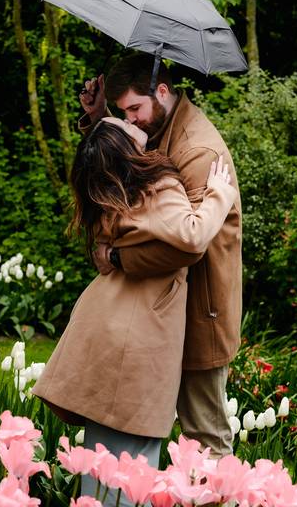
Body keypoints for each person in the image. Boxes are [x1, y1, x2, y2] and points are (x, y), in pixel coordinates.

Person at [32, 117, 238, 506]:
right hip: (137, 337)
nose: (128, 119)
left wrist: (97, 118)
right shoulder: (155, 188)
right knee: (129, 465)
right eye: (122, 122)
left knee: (104, 460)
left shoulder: (113, 192)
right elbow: (193, 238)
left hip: (109, 325)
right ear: (128, 147)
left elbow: (107, 144)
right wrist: (219, 195)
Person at [78, 54, 243, 459]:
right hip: (163, 309)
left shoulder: (197, 151)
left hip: (200, 309)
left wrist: (117, 258)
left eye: (134, 109)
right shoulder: (156, 125)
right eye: (123, 113)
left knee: (204, 435)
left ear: (162, 91)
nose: (130, 120)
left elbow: (185, 244)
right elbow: (128, 160)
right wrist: (101, 121)